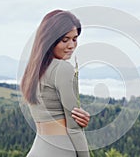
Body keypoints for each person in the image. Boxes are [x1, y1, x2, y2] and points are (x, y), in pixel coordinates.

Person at [20, 10, 90, 157]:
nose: (71, 45)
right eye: (65, 40)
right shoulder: (63, 69)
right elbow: (74, 128)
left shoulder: (33, 69)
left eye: (75, 39)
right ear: (50, 39)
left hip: (37, 150)